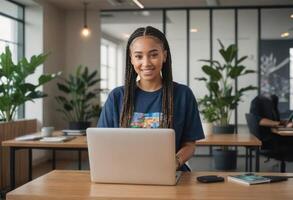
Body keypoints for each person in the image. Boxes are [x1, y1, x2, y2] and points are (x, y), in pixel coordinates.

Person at [98, 26, 204, 171]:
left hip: (170, 173)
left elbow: (189, 144)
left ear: (164, 56)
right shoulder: (117, 97)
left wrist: (175, 162)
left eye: (153, 55)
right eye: (139, 56)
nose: (146, 63)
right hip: (126, 173)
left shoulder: (183, 94)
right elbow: (103, 143)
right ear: (131, 59)